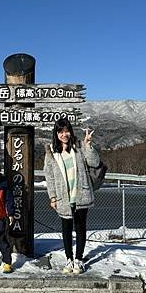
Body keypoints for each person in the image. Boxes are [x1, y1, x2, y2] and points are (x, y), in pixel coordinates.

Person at [44, 117, 100, 274]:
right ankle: (69, 259)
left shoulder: (79, 148)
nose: (64, 134)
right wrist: (52, 197)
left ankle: (79, 260)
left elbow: (94, 163)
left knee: (80, 228)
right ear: (56, 134)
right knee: (66, 229)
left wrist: (88, 146)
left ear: (71, 132)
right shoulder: (51, 153)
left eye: (66, 131)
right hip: (63, 197)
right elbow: (49, 177)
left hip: (81, 194)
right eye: (60, 131)